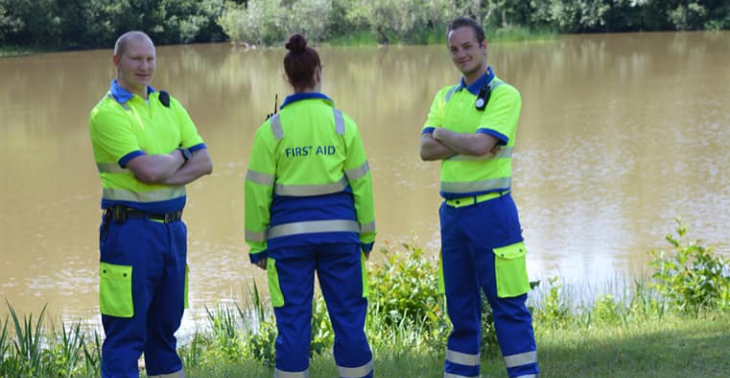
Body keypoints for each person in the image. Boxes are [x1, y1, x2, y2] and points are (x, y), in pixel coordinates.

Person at [244, 34, 376, 378]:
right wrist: (367, 237)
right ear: (319, 72)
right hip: (341, 238)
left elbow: (257, 193)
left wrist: (257, 246)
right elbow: (362, 185)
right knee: (349, 322)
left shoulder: (270, 131)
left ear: (287, 78)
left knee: (293, 326)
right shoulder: (343, 124)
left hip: (288, 243)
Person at [420, 17, 540, 378]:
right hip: (453, 217)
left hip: (492, 213)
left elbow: (483, 144)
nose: (461, 55)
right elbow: (426, 149)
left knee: (508, 304)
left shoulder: (506, 94)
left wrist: (446, 136)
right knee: (460, 307)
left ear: (485, 46)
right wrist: (458, 139)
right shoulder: (445, 96)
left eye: (467, 46)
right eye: (454, 49)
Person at [88, 31, 213, 378]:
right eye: (136, 59)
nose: (145, 67)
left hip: (173, 231)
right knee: (126, 336)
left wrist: (166, 170)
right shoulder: (108, 113)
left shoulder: (169, 106)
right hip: (129, 233)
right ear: (117, 62)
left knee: (164, 334)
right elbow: (146, 170)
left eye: (150, 59)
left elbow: (205, 162)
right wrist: (180, 153)